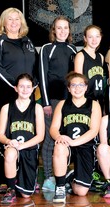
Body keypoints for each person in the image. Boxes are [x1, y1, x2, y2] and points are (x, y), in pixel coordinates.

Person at [0, 7, 38, 193]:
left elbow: (35, 67)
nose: (13, 23)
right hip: (5, 93)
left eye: (17, 19)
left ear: (22, 22)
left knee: (27, 134)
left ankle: (27, 177)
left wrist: (32, 84)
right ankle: (4, 179)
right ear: (4, 22)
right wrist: (15, 85)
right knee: (6, 135)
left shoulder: (28, 42)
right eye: (10, 19)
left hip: (26, 94)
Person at [50, 71, 101, 203]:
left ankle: (70, 177)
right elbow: (54, 129)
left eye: (80, 85)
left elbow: (94, 131)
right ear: (68, 88)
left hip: (86, 146)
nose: (77, 88)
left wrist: (74, 142)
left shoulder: (94, 104)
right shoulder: (62, 104)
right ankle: (60, 186)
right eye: (73, 85)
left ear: (86, 87)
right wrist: (59, 137)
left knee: (81, 192)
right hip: (67, 145)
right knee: (59, 147)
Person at [39, 15, 77, 192]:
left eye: (65, 28)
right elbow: (42, 76)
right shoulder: (47, 49)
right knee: (49, 139)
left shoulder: (73, 50)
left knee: (66, 139)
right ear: (54, 30)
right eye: (59, 28)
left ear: (69, 31)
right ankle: (48, 177)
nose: (62, 31)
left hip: (69, 102)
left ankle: (63, 174)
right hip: (52, 101)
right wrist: (46, 102)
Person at [0, 73, 45, 204]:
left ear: (33, 88)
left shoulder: (37, 108)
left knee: (26, 195)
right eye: (21, 86)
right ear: (15, 88)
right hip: (12, 148)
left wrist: (22, 146)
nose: (25, 90)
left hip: (29, 150)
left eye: (28, 87)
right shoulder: (6, 108)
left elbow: (40, 136)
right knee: (11, 153)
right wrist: (8, 142)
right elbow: (0, 134)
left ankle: (23, 182)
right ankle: (10, 189)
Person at [74, 24, 104, 113]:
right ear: (85, 38)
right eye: (90, 37)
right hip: (86, 100)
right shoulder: (80, 56)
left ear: (100, 38)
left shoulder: (100, 57)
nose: (94, 40)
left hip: (99, 99)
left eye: (97, 36)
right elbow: (77, 82)